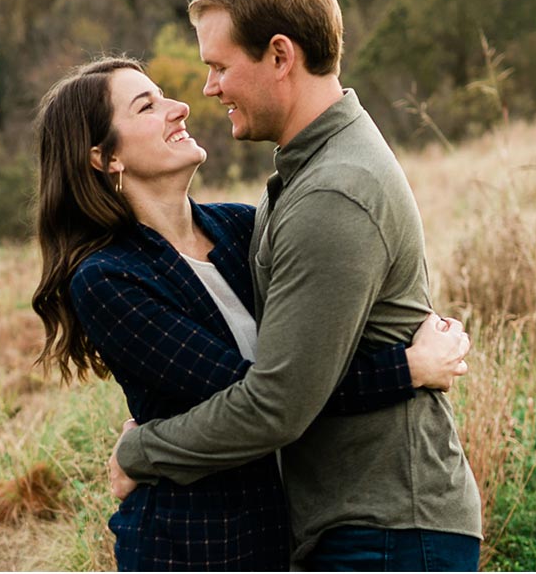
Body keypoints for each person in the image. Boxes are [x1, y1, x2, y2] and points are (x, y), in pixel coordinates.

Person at [103, 0, 485, 571]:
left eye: (220, 66)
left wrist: (141, 451)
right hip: (357, 523)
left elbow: (276, 403)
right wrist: (409, 366)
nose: (208, 88)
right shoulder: (309, 173)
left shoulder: (333, 190)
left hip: (386, 531)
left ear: (280, 57)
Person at [28, 56, 470, 570]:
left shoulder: (241, 227)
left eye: (164, 94)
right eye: (147, 106)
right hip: (191, 542)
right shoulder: (109, 279)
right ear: (104, 158)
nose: (181, 107)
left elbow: (299, 367)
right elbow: (267, 397)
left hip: (283, 529)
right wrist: (407, 369)